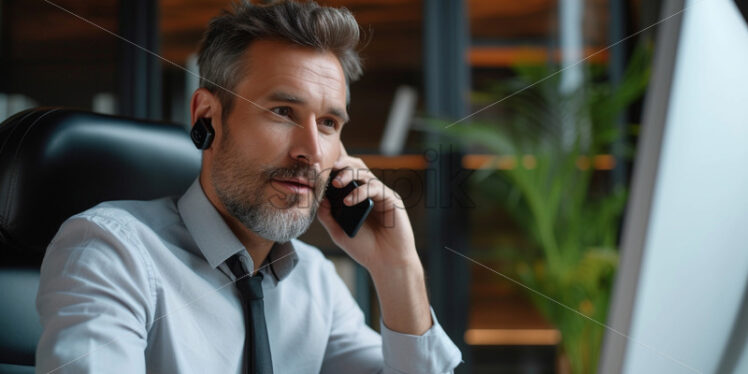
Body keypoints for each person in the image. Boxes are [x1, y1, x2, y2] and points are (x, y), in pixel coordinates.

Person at [35, 1, 462, 373]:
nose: (311, 151)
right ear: (208, 116)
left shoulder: (317, 282)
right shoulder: (111, 252)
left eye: (329, 124)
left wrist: (398, 269)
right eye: (282, 111)